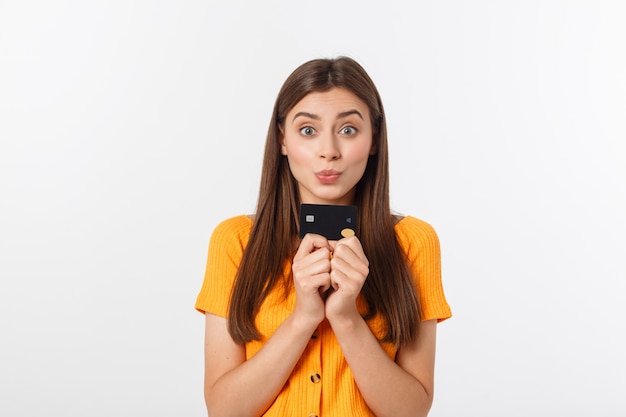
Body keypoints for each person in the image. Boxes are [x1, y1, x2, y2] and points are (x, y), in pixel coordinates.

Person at [195, 56, 451, 417]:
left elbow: (411, 411)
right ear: (282, 139)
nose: (328, 150)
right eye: (308, 130)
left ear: (374, 139)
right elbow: (223, 410)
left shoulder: (413, 243)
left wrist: (346, 317)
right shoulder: (235, 241)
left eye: (348, 129)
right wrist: (303, 317)